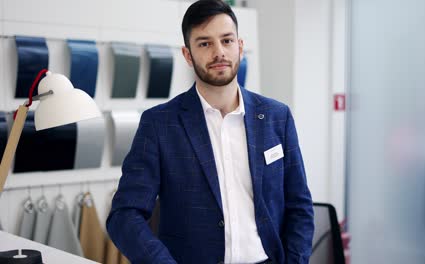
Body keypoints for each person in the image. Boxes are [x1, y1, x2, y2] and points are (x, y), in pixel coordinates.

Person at [106, 0, 314, 263]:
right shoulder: (159, 124)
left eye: (226, 41)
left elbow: (300, 206)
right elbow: (124, 215)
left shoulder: (276, 117)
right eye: (205, 43)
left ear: (240, 46)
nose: (219, 52)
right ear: (187, 55)